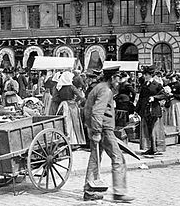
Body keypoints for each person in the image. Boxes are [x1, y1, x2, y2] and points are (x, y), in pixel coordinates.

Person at [83, 66, 134, 203]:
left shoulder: (99, 87)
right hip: (104, 130)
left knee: (95, 158)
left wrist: (92, 129)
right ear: (112, 78)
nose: (119, 81)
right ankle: (119, 192)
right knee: (118, 158)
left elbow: (89, 109)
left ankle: (89, 191)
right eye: (117, 78)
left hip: (96, 128)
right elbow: (97, 111)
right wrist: (97, 131)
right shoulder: (105, 90)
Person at [136, 65, 167, 155]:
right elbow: (141, 98)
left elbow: (164, 95)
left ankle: (155, 148)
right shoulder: (144, 85)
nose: (144, 76)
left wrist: (154, 98)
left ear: (150, 75)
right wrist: (136, 110)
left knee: (153, 129)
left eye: (146, 75)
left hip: (154, 110)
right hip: (145, 110)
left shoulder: (157, 85)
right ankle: (151, 148)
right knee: (148, 129)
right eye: (144, 75)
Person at [56, 71, 86, 146]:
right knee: (73, 123)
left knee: (65, 123)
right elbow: (81, 96)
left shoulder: (60, 87)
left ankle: (64, 140)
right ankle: (74, 141)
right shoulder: (71, 87)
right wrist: (75, 101)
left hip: (63, 105)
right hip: (71, 106)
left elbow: (56, 97)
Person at [167, 74, 180, 144]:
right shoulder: (168, 85)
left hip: (177, 103)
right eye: (170, 78)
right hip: (170, 104)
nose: (171, 79)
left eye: (172, 78)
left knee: (178, 118)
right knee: (171, 119)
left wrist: (173, 95)